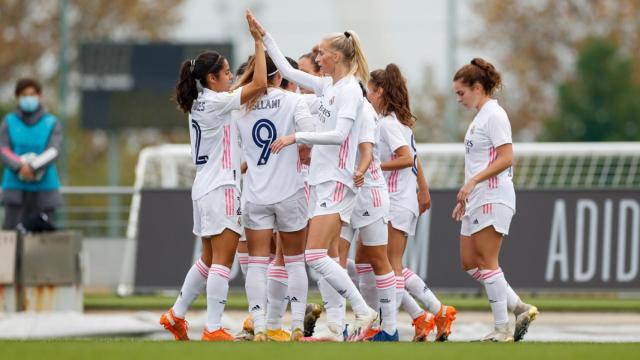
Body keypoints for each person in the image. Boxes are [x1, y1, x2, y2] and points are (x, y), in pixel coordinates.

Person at [247, 10, 378, 341]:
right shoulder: (327, 86)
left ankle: (362, 310)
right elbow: (290, 70)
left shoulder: (350, 90)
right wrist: (263, 37)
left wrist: (296, 137)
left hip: (337, 181)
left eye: (320, 52)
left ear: (335, 56)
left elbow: (338, 135)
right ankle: (338, 324)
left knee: (315, 255)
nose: (316, 57)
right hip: (322, 181)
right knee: (327, 256)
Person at [160, 10, 267, 342]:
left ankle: (176, 315)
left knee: (207, 259)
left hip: (205, 186)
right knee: (223, 259)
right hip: (222, 188)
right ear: (211, 79)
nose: (230, 76)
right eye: (225, 71)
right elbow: (260, 84)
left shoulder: (201, 103)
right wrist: (259, 41)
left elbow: (244, 89)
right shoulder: (218, 103)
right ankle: (213, 327)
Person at [368, 64, 457, 342]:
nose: (367, 97)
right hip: (402, 200)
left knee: (389, 265)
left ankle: (396, 325)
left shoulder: (387, 124)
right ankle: (426, 315)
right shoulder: (399, 123)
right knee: (386, 264)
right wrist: (423, 188)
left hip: (395, 200)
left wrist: (375, 165)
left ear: (380, 92)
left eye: (370, 91)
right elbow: (415, 159)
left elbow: (406, 157)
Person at [452, 58, 538, 342]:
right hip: (477, 197)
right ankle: (518, 307)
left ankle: (502, 328)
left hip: (493, 194)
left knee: (488, 262)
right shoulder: (480, 118)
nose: (458, 99)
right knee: (469, 262)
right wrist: (466, 193)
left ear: (478, 87)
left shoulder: (494, 116)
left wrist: (474, 182)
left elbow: (506, 157)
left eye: (461, 93)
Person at [234, 54, 315, 341]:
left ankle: (258, 326)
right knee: (294, 263)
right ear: (279, 76)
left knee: (256, 264)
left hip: (255, 193)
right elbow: (313, 135)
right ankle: (295, 326)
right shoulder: (294, 101)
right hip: (290, 191)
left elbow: (235, 153)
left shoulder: (240, 106)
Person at [0, 78, 63, 231]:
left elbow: (53, 150)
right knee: (11, 239)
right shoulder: (9, 122)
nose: (29, 98)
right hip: (15, 189)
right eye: (24, 94)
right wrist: (20, 167)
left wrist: (33, 167)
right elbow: (3, 149)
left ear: (40, 96)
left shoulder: (51, 122)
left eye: (32, 94)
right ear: (17, 97)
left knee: (43, 242)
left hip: (45, 190)